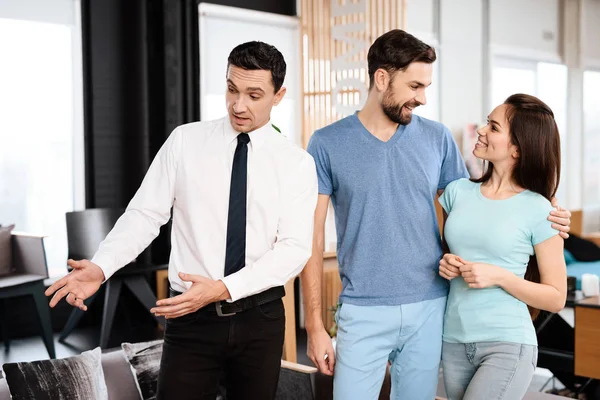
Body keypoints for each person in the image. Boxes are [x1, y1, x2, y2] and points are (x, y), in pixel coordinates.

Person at [300, 29, 572, 400]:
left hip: (431, 308)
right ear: (382, 78)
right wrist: (314, 325)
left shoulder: (437, 138)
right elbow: (311, 238)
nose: (423, 98)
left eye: (426, 86)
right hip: (363, 309)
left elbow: (481, 206)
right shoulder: (327, 143)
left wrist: (549, 209)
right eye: (415, 86)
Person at [45, 41, 318, 400]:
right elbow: (144, 214)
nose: (238, 105)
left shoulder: (296, 163)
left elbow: (294, 249)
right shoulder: (185, 142)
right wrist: (101, 267)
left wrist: (222, 289)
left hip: (259, 318)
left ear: (278, 95)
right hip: (190, 318)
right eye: (232, 89)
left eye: (254, 95)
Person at [438, 94, 567, 400]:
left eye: (493, 127)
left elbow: (556, 297)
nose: (481, 130)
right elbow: (441, 249)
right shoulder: (457, 192)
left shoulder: (539, 209)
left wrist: (500, 277)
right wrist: (445, 262)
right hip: (453, 339)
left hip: (507, 343)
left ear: (517, 148)